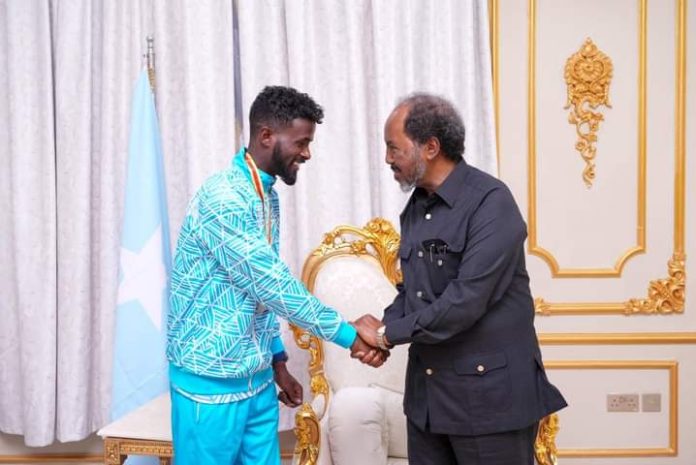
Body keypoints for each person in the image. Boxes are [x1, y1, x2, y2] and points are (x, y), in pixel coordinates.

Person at [166, 86, 384, 465]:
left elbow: (258, 293)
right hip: (210, 388)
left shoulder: (266, 196)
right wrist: (349, 335)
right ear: (267, 135)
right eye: (301, 142)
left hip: (258, 384)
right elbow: (273, 286)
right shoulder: (223, 199)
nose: (307, 153)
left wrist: (278, 363)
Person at [353, 93, 567, 465]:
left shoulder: (491, 202)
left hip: (490, 403)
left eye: (394, 147)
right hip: (428, 402)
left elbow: (465, 300)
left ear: (431, 147)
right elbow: (414, 291)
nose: (387, 158)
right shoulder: (417, 206)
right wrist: (382, 327)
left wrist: (385, 335)